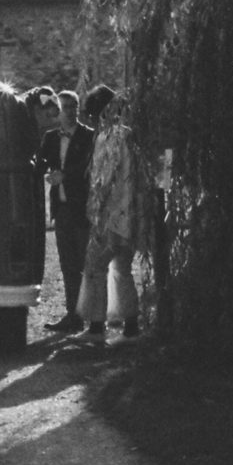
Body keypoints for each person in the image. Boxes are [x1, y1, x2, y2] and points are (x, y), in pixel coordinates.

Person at [78, 90, 140, 339]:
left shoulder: (108, 138)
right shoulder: (130, 136)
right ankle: (131, 324)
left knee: (95, 267)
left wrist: (95, 210)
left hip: (110, 215)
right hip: (131, 214)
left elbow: (104, 180)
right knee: (122, 269)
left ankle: (96, 324)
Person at [39, 89, 95, 331]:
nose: (70, 111)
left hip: (83, 211)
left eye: (74, 106)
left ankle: (93, 318)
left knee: (87, 266)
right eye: (65, 107)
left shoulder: (90, 136)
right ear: (57, 111)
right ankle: (73, 316)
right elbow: (40, 162)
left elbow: (90, 168)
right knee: (68, 265)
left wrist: (65, 176)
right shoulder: (51, 138)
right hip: (61, 210)